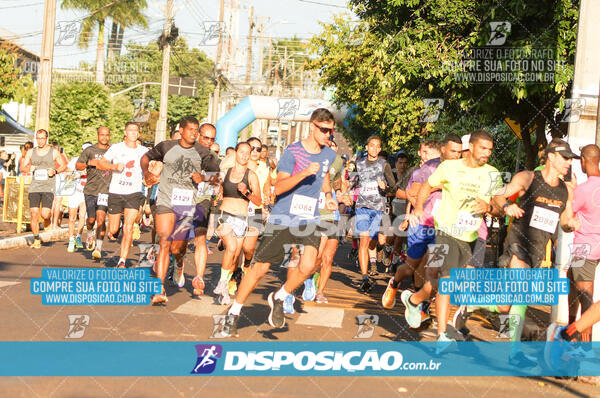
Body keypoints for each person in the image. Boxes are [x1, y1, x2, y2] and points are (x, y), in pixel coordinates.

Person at [223, 108, 338, 336]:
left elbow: (324, 176)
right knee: (260, 269)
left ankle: (280, 296)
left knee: (308, 265)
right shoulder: (293, 152)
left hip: (310, 217)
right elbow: (280, 188)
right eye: (324, 130)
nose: (328, 134)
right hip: (283, 216)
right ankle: (234, 313)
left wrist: (327, 196)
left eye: (331, 131)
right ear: (313, 126)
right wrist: (304, 173)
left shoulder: (329, 154)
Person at [402, 130, 501, 353]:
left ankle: (415, 300)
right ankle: (442, 336)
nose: (487, 153)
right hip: (446, 231)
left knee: (454, 283)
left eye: (490, 150)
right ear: (471, 148)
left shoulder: (493, 173)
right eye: (483, 148)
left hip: (474, 235)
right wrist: (418, 207)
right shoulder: (449, 167)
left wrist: (490, 208)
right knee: (445, 280)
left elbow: (499, 206)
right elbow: (427, 186)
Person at [382, 135, 462, 308]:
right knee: (412, 267)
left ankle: (420, 304)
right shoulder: (427, 169)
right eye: (453, 151)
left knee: (433, 268)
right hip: (422, 225)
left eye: (459, 152)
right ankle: (394, 283)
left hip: (442, 228)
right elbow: (409, 193)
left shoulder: (460, 171)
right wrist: (411, 213)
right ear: (443, 150)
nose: (457, 155)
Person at [141, 116, 214, 304]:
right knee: (164, 241)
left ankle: (179, 262)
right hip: (166, 200)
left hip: (186, 204)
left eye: (196, 130)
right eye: (190, 129)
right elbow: (145, 157)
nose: (194, 133)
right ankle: (160, 288)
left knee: (177, 247)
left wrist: (204, 179)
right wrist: (147, 172)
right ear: (181, 130)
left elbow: (219, 177)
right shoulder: (166, 146)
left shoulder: (203, 153)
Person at [213, 142, 261, 305]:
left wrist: (246, 192)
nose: (245, 155)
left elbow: (258, 201)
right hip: (224, 215)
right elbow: (216, 188)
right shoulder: (225, 173)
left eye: (248, 153)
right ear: (236, 153)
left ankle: (224, 288)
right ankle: (221, 282)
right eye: (242, 152)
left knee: (234, 258)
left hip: (242, 219)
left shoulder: (251, 176)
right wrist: (215, 195)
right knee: (232, 248)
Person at [98, 122, 148, 268]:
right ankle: (116, 225)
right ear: (125, 132)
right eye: (130, 130)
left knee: (129, 227)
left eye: (136, 130)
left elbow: (151, 165)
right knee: (113, 230)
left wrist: (151, 174)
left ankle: (122, 261)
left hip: (134, 192)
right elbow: (101, 163)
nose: (133, 133)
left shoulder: (144, 150)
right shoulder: (116, 148)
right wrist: (114, 166)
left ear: (138, 134)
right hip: (116, 192)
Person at [566, 144, 600, 342]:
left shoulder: (583, 190)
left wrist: (570, 192)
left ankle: (583, 346)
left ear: (584, 162)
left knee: (586, 298)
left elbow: (568, 216)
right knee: (572, 280)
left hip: (584, 248)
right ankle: (572, 322)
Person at [354, 135, 396, 292]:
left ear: (379, 149)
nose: (374, 149)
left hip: (378, 208)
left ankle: (378, 256)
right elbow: (353, 183)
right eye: (371, 145)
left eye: (377, 146)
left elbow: (393, 187)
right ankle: (365, 277)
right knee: (363, 242)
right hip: (362, 207)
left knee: (375, 241)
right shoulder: (358, 163)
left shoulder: (384, 164)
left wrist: (384, 187)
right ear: (367, 147)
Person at [21, 129, 67, 248]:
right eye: (38, 138)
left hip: (48, 187)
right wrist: (29, 169)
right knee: (34, 213)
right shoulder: (31, 152)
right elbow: (23, 167)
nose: (40, 141)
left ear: (46, 138)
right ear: (36, 139)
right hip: (35, 187)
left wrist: (55, 171)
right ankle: (36, 239)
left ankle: (47, 221)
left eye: (42, 138)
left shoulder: (54, 152)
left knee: (45, 214)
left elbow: (63, 165)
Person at [191, 123, 221, 296]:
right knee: (178, 244)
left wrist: (204, 178)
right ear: (198, 136)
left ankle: (199, 278)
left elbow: (216, 180)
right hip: (182, 200)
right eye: (206, 138)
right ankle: (178, 263)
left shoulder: (213, 158)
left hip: (203, 200)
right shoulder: (186, 151)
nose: (209, 142)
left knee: (200, 239)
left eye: (212, 139)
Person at [76, 127, 112, 258]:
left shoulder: (113, 150)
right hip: (90, 190)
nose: (104, 137)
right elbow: (78, 165)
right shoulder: (90, 150)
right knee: (91, 219)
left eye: (107, 135)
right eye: (102, 135)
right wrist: (89, 163)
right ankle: (90, 232)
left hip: (105, 191)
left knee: (101, 219)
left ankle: (98, 248)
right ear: (97, 136)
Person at [65, 146, 88, 252]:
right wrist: (76, 174)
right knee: (72, 217)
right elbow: (67, 174)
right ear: (82, 150)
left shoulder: (94, 163)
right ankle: (71, 239)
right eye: (85, 150)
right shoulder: (75, 160)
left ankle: (78, 236)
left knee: (82, 216)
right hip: (74, 192)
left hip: (86, 192)